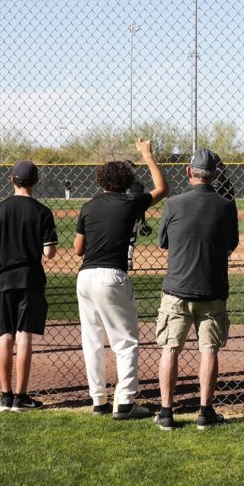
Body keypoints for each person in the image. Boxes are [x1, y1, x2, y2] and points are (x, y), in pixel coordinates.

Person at [74, 139, 168, 419]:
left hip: (85, 277)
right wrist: (147, 156)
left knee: (92, 341)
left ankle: (98, 401)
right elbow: (162, 188)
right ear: (126, 182)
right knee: (125, 342)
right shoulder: (130, 202)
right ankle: (125, 403)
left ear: (101, 180)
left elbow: (78, 249)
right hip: (112, 276)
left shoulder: (88, 206)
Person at [154, 149, 239, 431]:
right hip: (212, 289)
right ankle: (205, 412)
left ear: (189, 172)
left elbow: (162, 242)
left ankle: (166, 412)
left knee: (170, 349)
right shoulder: (226, 206)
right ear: (214, 175)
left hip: (177, 289)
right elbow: (231, 244)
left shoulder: (173, 204)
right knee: (209, 350)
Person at [0, 160, 58, 412]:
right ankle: (21, 397)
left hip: (3, 278)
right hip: (30, 279)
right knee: (25, 335)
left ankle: (5, 397)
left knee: (5, 335)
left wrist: (5, 245)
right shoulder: (42, 211)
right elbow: (49, 253)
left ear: (11, 179)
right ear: (35, 181)